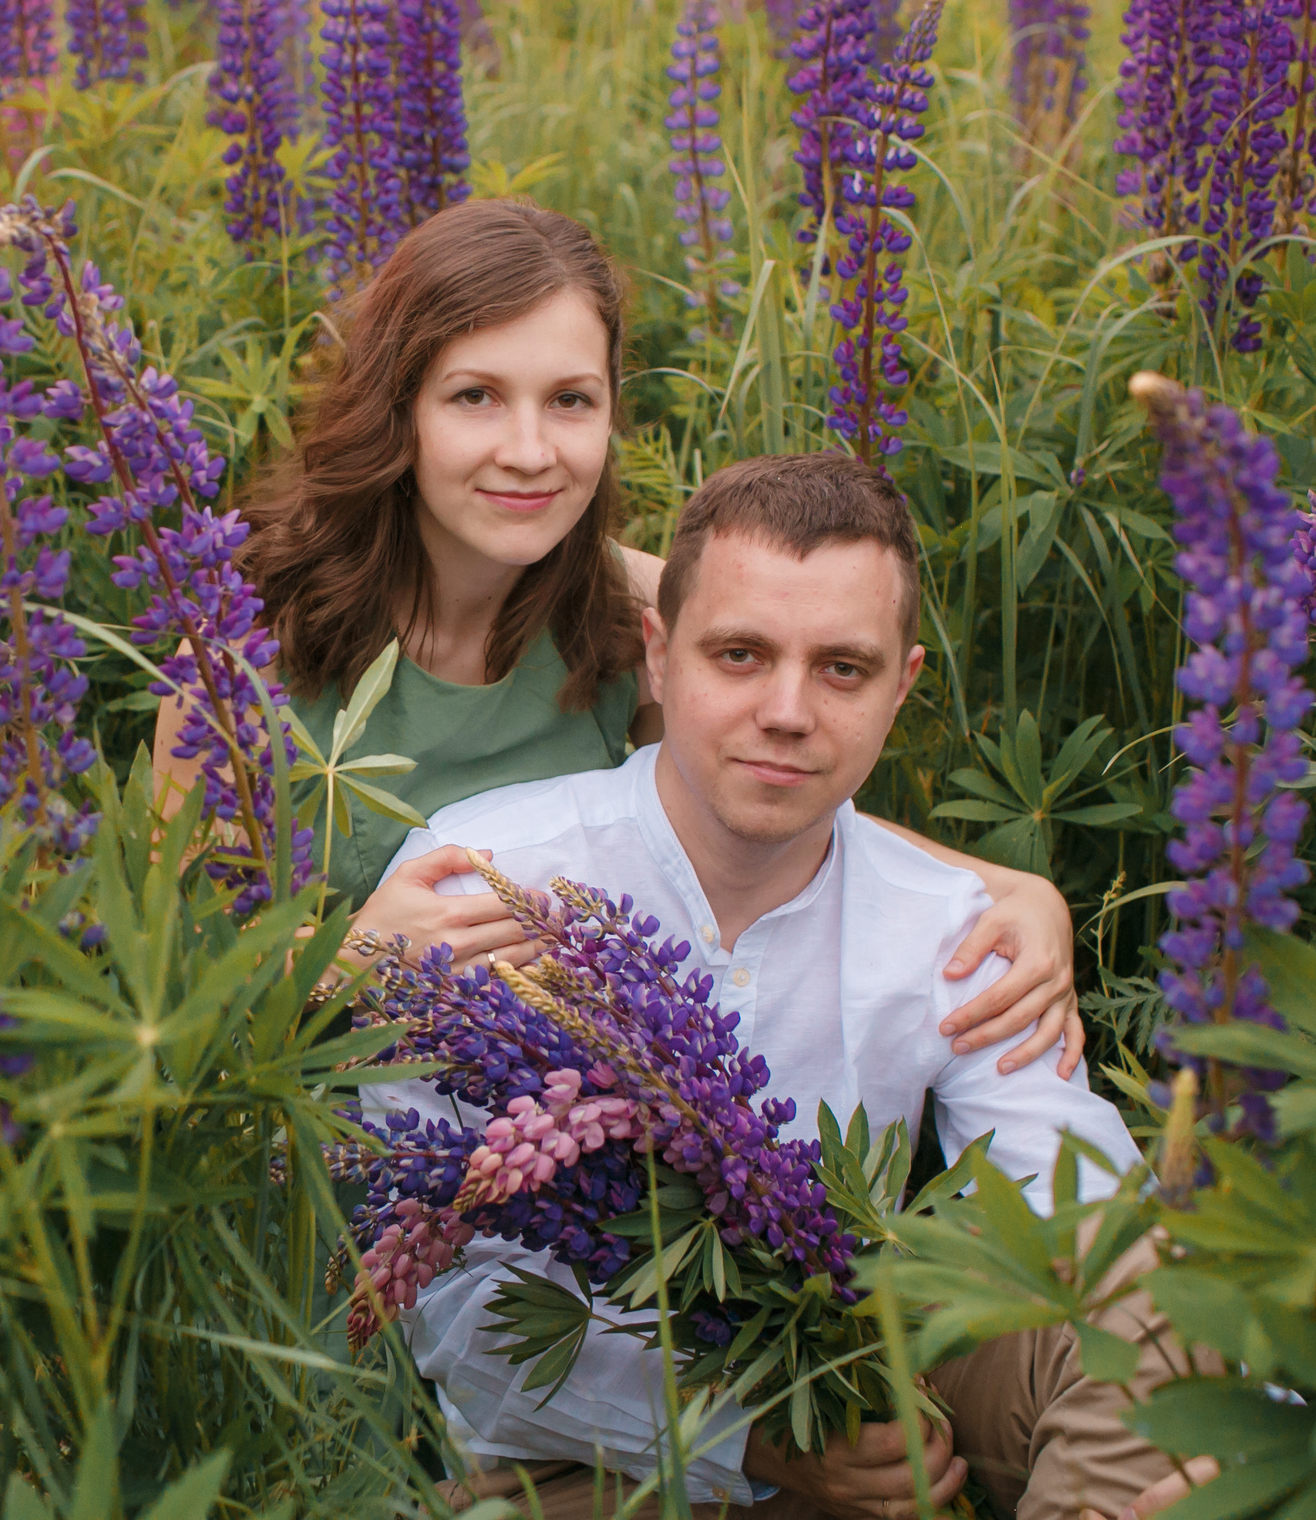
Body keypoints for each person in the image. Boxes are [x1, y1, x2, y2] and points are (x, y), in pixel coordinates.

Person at [364, 454, 1197, 1520]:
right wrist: (749, 1437)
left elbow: (1088, 1216)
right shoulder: (484, 876)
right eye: (741, 654)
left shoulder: (954, 924)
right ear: (660, 658)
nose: (788, 711)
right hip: (595, 1463)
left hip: (891, 1387)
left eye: (842, 669)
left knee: (1146, 1285)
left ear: (903, 686)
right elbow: (446, 1303)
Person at [158, 199, 1083, 1073]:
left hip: (572, 1133)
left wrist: (1012, 892)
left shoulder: (629, 603)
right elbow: (169, 990)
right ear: (397, 408)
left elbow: (762, 791)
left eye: (570, 400)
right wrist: (349, 962)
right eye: (475, 396)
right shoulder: (238, 646)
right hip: (316, 1150)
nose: (529, 449)